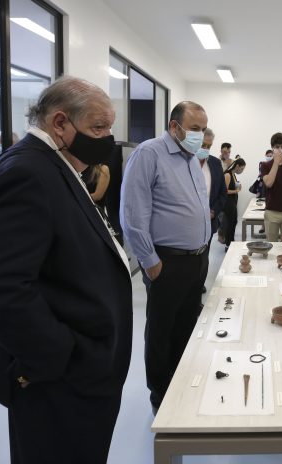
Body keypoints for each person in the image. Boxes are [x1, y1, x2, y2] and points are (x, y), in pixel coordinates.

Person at [0, 76, 133, 464]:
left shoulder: (55, 165)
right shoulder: (27, 172)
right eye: (98, 127)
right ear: (59, 123)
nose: (106, 138)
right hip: (60, 378)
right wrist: (62, 354)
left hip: (82, 369)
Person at [120, 101, 211, 412]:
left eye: (203, 129)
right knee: (161, 329)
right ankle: (161, 394)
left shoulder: (190, 158)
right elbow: (132, 215)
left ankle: (181, 382)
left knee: (187, 323)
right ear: (175, 127)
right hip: (167, 262)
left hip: (196, 259)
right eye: (195, 129)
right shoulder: (149, 154)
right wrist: (150, 262)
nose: (200, 135)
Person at [196, 127, 227, 292]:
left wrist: (213, 211)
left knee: (203, 259)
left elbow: (222, 193)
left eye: (208, 146)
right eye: (203, 145)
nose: (205, 149)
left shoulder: (214, 163)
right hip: (186, 223)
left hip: (208, 221)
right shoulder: (183, 162)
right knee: (188, 263)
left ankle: (198, 288)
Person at [222, 157, 247, 249]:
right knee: (229, 223)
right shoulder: (228, 175)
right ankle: (228, 244)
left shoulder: (233, 175)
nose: (242, 171)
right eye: (241, 168)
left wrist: (238, 187)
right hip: (228, 203)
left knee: (234, 222)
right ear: (237, 166)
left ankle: (231, 241)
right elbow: (225, 191)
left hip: (233, 202)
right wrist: (236, 191)